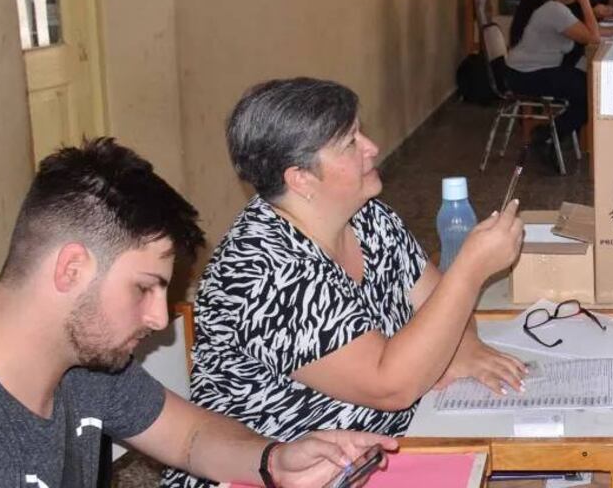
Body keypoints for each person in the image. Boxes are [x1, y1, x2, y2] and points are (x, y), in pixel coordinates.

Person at [0, 137, 395, 488]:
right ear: (71, 268)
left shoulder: (79, 361)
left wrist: (274, 461)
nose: (157, 319)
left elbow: (189, 437)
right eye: (144, 288)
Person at [162, 78, 524, 487]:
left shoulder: (368, 216)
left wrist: (458, 349)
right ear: (300, 178)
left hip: (372, 458)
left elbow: (441, 306)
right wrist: (471, 269)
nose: (371, 147)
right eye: (350, 142)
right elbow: (390, 386)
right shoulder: (264, 270)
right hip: (279, 477)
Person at [506, 0, 601, 155]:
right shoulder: (554, 10)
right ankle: (549, 136)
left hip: (528, 71)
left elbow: (584, 32)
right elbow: (593, 38)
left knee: (587, 85)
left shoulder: (552, 7)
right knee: (591, 91)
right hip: (526, 76)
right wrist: (585, 2)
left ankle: (550, 135)